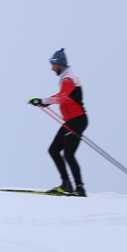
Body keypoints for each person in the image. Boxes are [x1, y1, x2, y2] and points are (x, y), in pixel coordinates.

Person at [28, 48, 86, 197]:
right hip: (71, 120)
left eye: (52, 64)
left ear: (59, 64)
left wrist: (43, 101)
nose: (51, 67)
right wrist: (43, 102)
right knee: (54, 150)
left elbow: (62, 96)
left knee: (68, 154)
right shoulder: (66, 76)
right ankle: (66, 184)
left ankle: (80, 189)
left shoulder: (68, 78)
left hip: (77, 120)